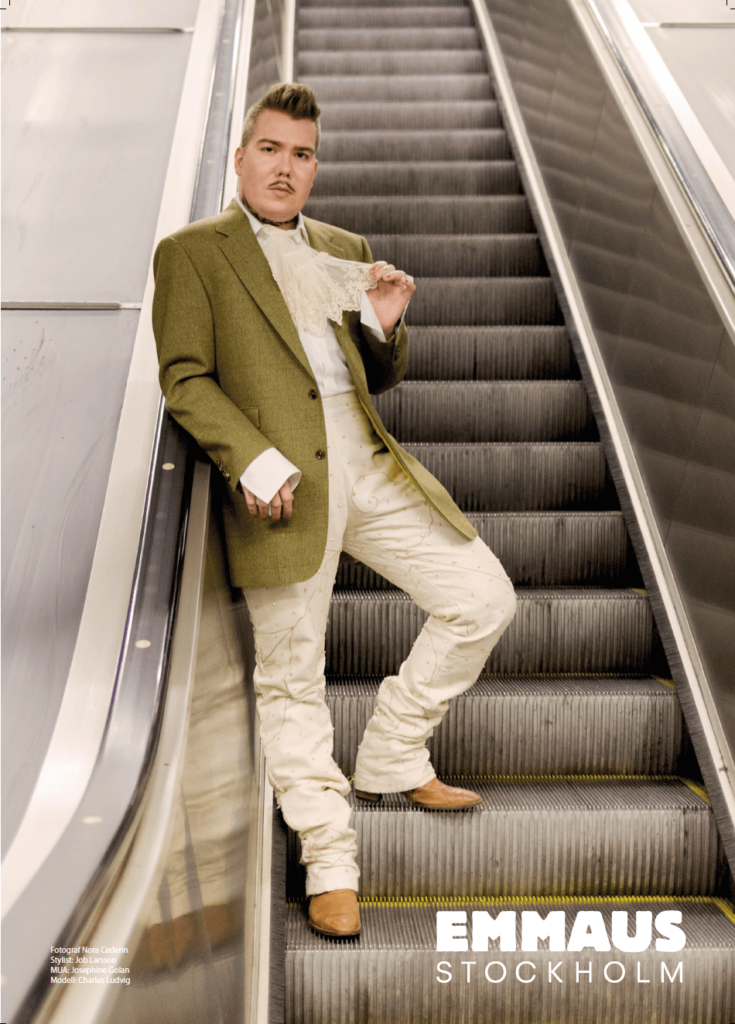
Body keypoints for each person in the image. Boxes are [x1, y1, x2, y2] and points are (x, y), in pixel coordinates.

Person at [152, 83, 517, 939]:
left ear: (316, 165)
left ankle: (391, 750)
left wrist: (385, 327)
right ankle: (328, 860)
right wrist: (251, 459)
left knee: (482, 597)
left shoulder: (344, 246)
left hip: (369, 466)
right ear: (241, 157)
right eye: (271, 149)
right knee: (291, 677)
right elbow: (185, 378)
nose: (286, 167)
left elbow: (372, 376)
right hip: (283, 484)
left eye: (302, 154)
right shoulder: (193, 254)